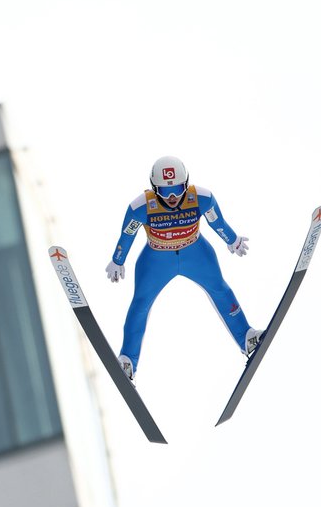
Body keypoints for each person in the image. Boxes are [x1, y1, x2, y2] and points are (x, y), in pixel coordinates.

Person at [105, 156, 262, 385]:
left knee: (220, 289)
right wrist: (118, 259)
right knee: (140, 304)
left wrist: (232, 239)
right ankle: (128, 360)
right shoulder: (141, 206)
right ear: (153, 188)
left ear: (186, 184)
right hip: (156, 260)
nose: (171, 197)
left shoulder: (202, 198)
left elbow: (217, 222)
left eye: (178, 189)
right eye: (164, 191)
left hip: (195, 253)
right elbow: (127, 234)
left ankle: (247, 338)